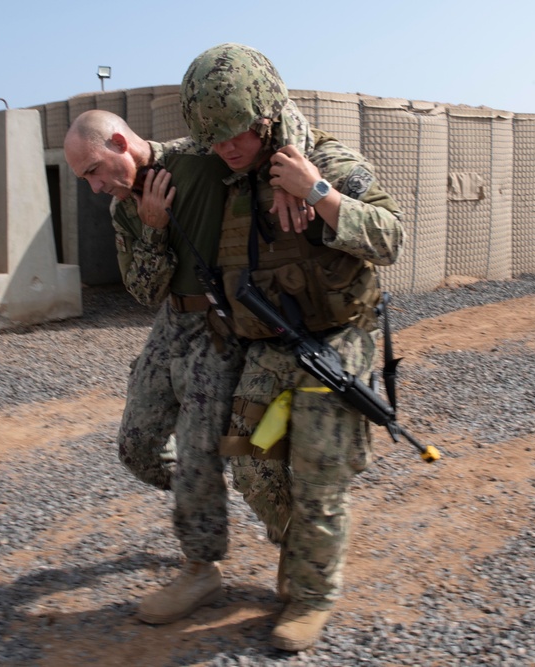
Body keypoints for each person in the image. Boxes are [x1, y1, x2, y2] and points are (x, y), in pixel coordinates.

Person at [178, 43, 406, 651]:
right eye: (215, 138)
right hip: (273, 344)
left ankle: (311, 593)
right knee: (252, 463)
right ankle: (300, 551)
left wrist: (320, 192)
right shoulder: (233, 180)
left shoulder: (329, 159)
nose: (226, 147)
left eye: (237, 134)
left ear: (266, 115)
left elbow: (390, 238)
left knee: (318, 472)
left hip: (337, 343)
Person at [63, 110, 242, 624]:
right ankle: (203, 490)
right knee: (137, 447)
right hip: (172, 323)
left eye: (95, 170)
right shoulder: (125, 208)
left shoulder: (203, 159)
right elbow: (143, 292)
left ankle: (201, 568)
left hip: (224, 325)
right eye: (86, 179)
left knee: (196, 450)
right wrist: (152, 229)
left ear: (120, 141)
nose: (96, 187)